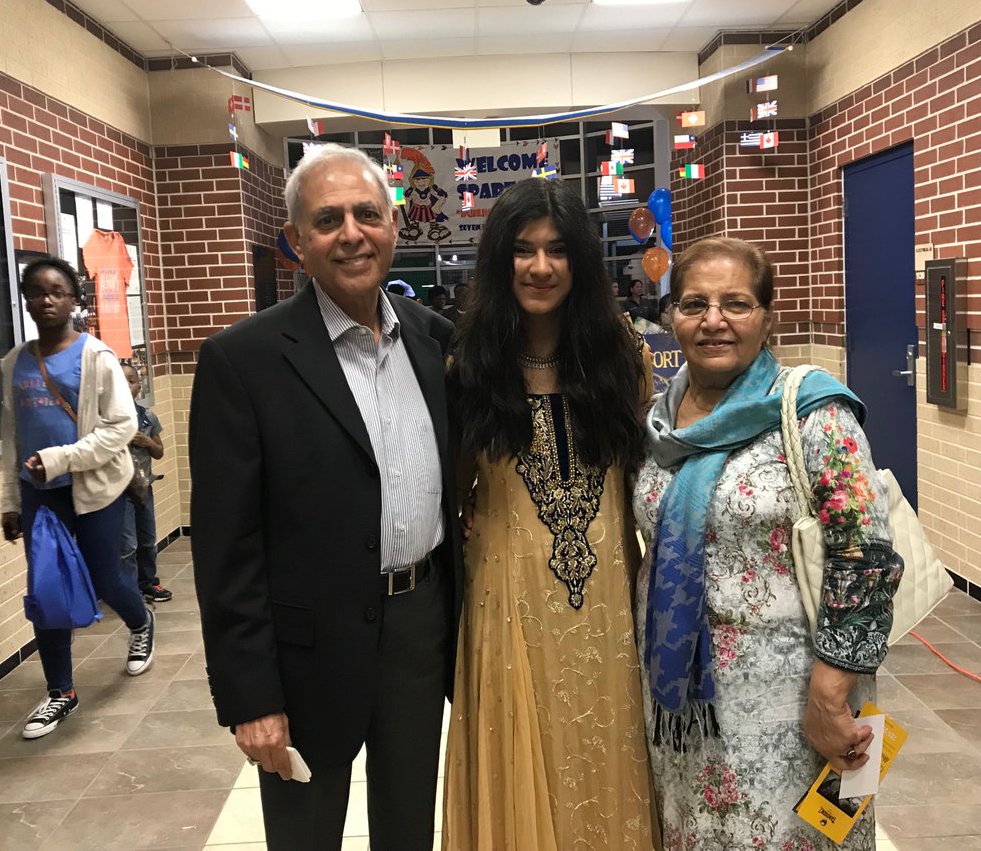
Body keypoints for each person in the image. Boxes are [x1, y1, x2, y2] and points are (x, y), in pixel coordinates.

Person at [189, 143, 462, 851]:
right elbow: (228, 549)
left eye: (367, 214)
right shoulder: (242, 362)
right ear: (296, 243)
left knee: (408, 828)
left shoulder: (435, 344)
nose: (351, 233)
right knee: (306, 837)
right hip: (306, 651)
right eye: (327, 219)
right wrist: (252, 699)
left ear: (394, 226)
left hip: (418, 629)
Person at [632, 237, 904, 850]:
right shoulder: (657, 422)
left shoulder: (812, 413)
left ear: (767, 316)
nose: (713, 321)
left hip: (793, 699)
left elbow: (866, 558)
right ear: (671, 315)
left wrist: (831, 698)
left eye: (736, 304)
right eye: (693, 303)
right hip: (684, 704)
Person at [444, 177, 657, 850]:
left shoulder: (626, 364)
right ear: (499, 260)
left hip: (610, 611)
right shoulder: (467, 372)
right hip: (507, 613)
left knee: (607, 759)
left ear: (580, 263)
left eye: (558, 250)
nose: (540, 267)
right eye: (523, 250)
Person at [0, 258, 155, 740]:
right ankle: (60, 692)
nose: (45, 300)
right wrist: (10, 498)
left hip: (93, 489)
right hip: (38, 495)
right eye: (36, 291)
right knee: (46, 591)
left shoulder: (97, 357)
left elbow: (121, 428)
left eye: (56, 291)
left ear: (74, 299)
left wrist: (61, 459)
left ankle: (141, 621)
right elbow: (11, 434)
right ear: (25, 299)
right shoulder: (13, 362)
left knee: (105, 578)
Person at [120, 363, 170, 603]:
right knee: (128, 544)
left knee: (148, 539)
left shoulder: (148, 417)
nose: (126, 385)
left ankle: (148, 583)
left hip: (143, 488)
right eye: (120, 380)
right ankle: (129, 593)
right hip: (119, 491)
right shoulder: (107, 419)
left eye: (132, 380)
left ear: (139, 386)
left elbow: (159, 452)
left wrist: (146, 442)